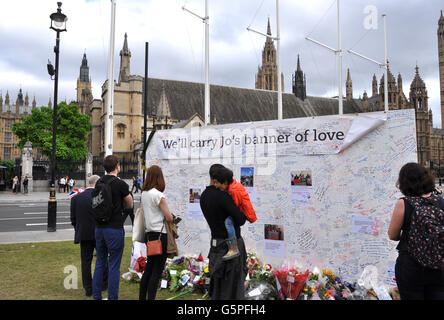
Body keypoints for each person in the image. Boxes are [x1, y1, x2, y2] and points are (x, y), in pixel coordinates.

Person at [388, 162, 444, 300]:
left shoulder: (404, 203)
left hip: (410, 265)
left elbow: (392, 234)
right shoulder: (440, 201)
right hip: (438, 264)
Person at [200, 164, 247, 300]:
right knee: (232, 286)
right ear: (217, 179)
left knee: (218, 284)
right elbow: (240, 219)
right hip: (230, 245)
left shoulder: (203, 196)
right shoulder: (222, 196)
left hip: (215, 245)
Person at [92, 155, 133, 300]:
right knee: (114, 264)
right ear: (117, 166)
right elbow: (130, 203)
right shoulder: (120, 184)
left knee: (100, 263)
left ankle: (96, 296)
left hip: (99, 227)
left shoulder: (99, 182)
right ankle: (112, 297)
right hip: (114, 228)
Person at [139, 165, 174, 300]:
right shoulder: (158, 195)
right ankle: (151, 297)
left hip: (150, 234)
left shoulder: (144, 193)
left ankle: (142, 297)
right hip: (161, 235)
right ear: (159, 178)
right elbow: (169, 217)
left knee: (149, 268)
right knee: (157, 270)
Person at [70, 175, 108, 297]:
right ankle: (103, 284)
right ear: (97, 184)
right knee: (102, 259)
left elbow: (73, 219)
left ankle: (88, 288)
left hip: (84, 233)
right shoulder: (100, 197)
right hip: (99, 233)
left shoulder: (76, 198)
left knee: (85, 262)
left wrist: (79, 229)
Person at [212, 166, 257, 261]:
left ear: (225, 182)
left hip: (242, 211)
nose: (215, 185)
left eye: (217, 183)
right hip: (242, 209)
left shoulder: (234, 190)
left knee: (228, 222)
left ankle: (233, 248)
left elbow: (234, 208)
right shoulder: (233, 186)